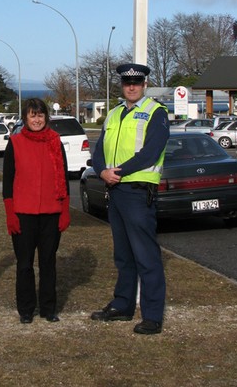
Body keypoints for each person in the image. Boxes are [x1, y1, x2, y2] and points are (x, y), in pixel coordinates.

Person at [90, 63, 170, 335]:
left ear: (144, 84)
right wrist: (102, 171)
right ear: (122, 86)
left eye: (136, 82)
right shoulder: (113, 114)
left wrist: (118, 173)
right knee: (123, 255)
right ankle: (122, 306)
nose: (132, 87)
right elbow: (98, 149)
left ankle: (152, 316)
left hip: (137, 191)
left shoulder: (155, 113)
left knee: (146, 256)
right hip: (115, 190)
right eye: (127, 83)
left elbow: (151, 152)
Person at [3, 97, 70, 324]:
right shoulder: (15, 143)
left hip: (51, 213)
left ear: (46, 118)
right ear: (25, 118)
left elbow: (64, 177)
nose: (37, 119)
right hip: (23, 214)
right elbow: (7, 183)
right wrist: (10, 213)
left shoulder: (55, 142)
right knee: (24, 264)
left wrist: (65, 210)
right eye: (33, 115)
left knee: (48, 263)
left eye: (40, 115)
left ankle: (48, 309)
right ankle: (26, 309)